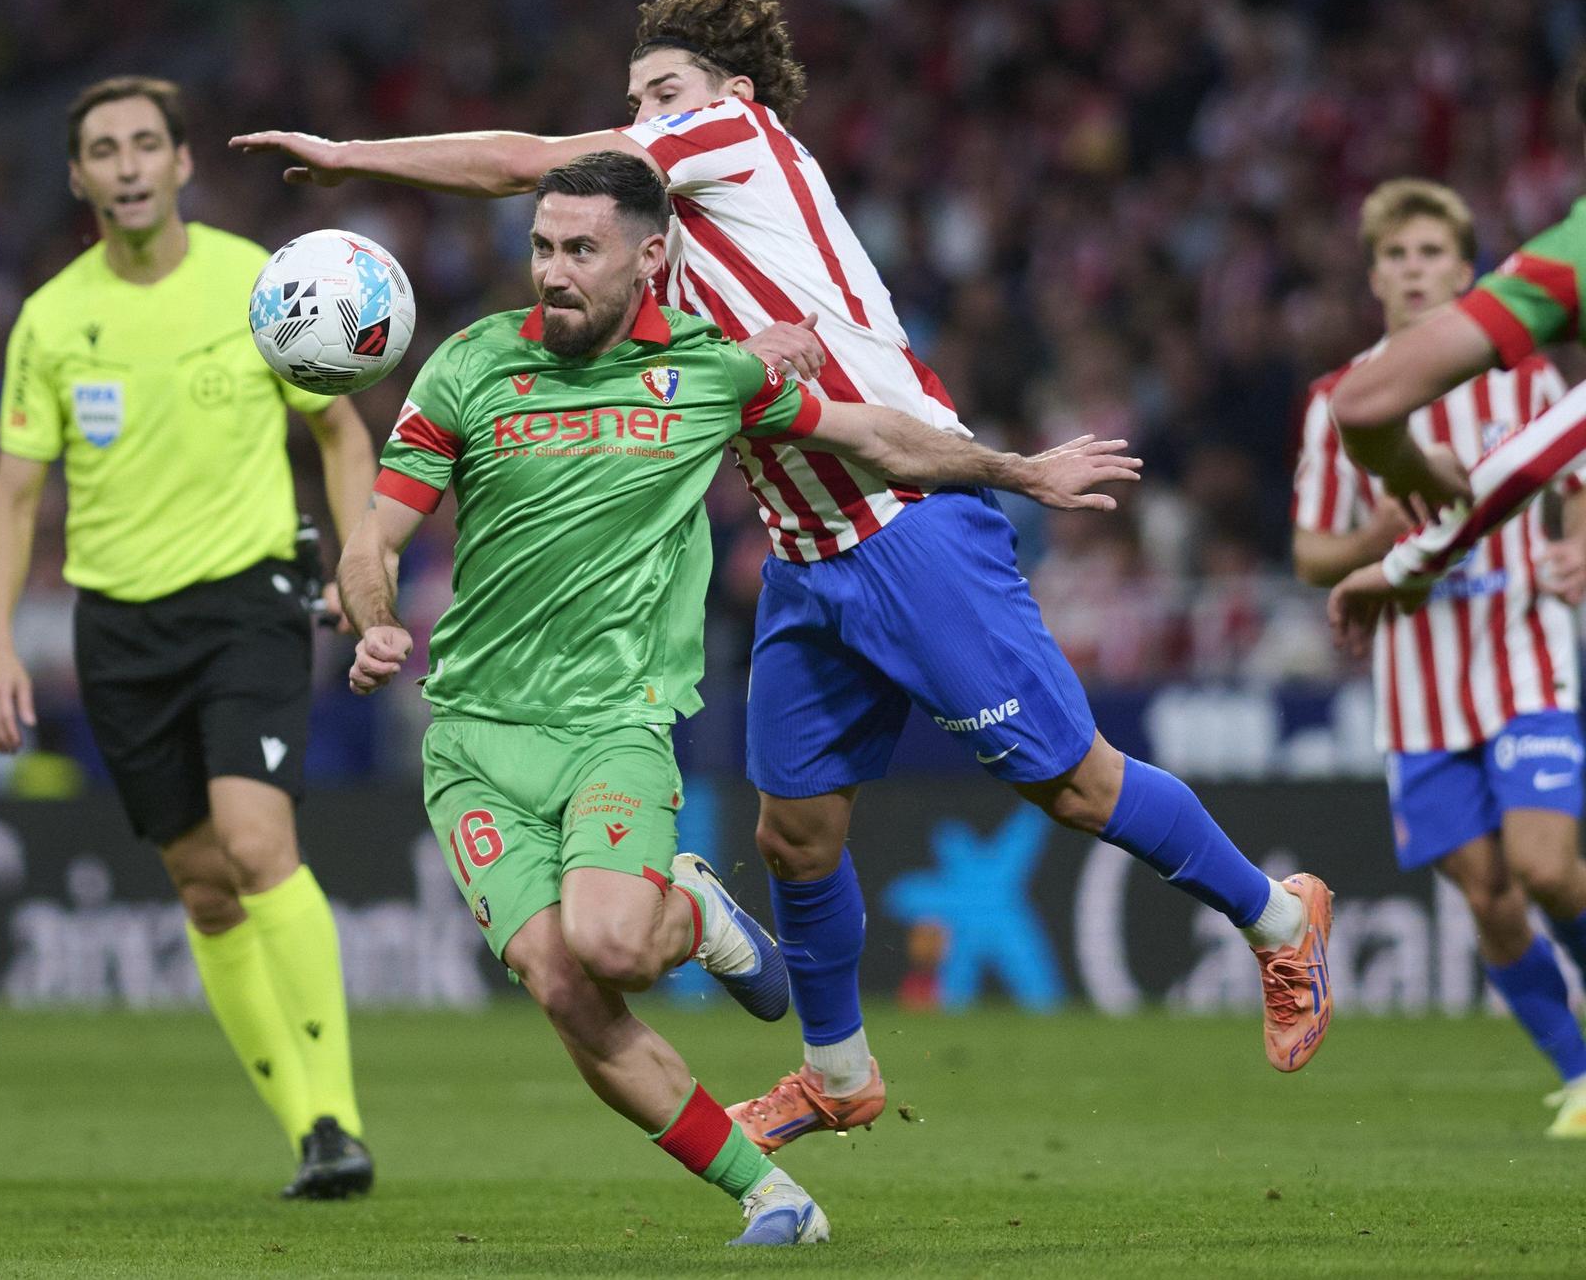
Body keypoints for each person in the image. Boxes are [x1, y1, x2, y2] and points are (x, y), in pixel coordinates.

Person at [237, 0, 1335, 1148]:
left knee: (1070, 785)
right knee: (792, 833)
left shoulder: (733, 140)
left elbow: (536, 164)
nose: (646, 113)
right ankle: (838, 1070)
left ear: (732, 95)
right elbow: (664, 353)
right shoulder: (661, 254)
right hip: (806, 554)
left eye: (663, 89)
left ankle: (1277, 918)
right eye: (634, 98)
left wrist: (352, 154)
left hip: (905, 517)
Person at [339, 149, 1137, 1246]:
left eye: (581, 249)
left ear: (650, 256)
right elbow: (372, 536)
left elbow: (875, 435)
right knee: (564, 987)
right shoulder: (469, 366)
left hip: (612, 725)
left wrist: (1018, 470)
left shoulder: (713, 374)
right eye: (540, 246)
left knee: (613, 947)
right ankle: (771, 1194)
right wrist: (376, 616)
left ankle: (698, 908)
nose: (553, 272)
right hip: (472, 738)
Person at [0, 76, 378, 1197]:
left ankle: (339, 1111)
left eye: (148, 143)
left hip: (246, 601)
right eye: (105, 149)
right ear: (79, 177)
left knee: (255, 844)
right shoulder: (52, 318)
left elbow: (341, 434)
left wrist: (356, 554)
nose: (129, 163)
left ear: (183, 162)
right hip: (117, 628)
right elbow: (11, 497)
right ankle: (309, 1132)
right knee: (201, 886)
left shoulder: (257, 282)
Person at [1295, 180, 1586, 1139]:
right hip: (1418, 690)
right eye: (1398, 255)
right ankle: (1580, 1078)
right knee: (1488, 893)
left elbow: (1574, 483)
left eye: (1433, 254)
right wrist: (1374, 534)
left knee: (1547, 869)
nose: (1415, 269)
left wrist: (1579, 539)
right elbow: (1310, 555)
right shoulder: (1342, 402)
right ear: (1375, 274)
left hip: (1523, 653)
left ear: (1468, 272)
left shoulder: (1528, 378)